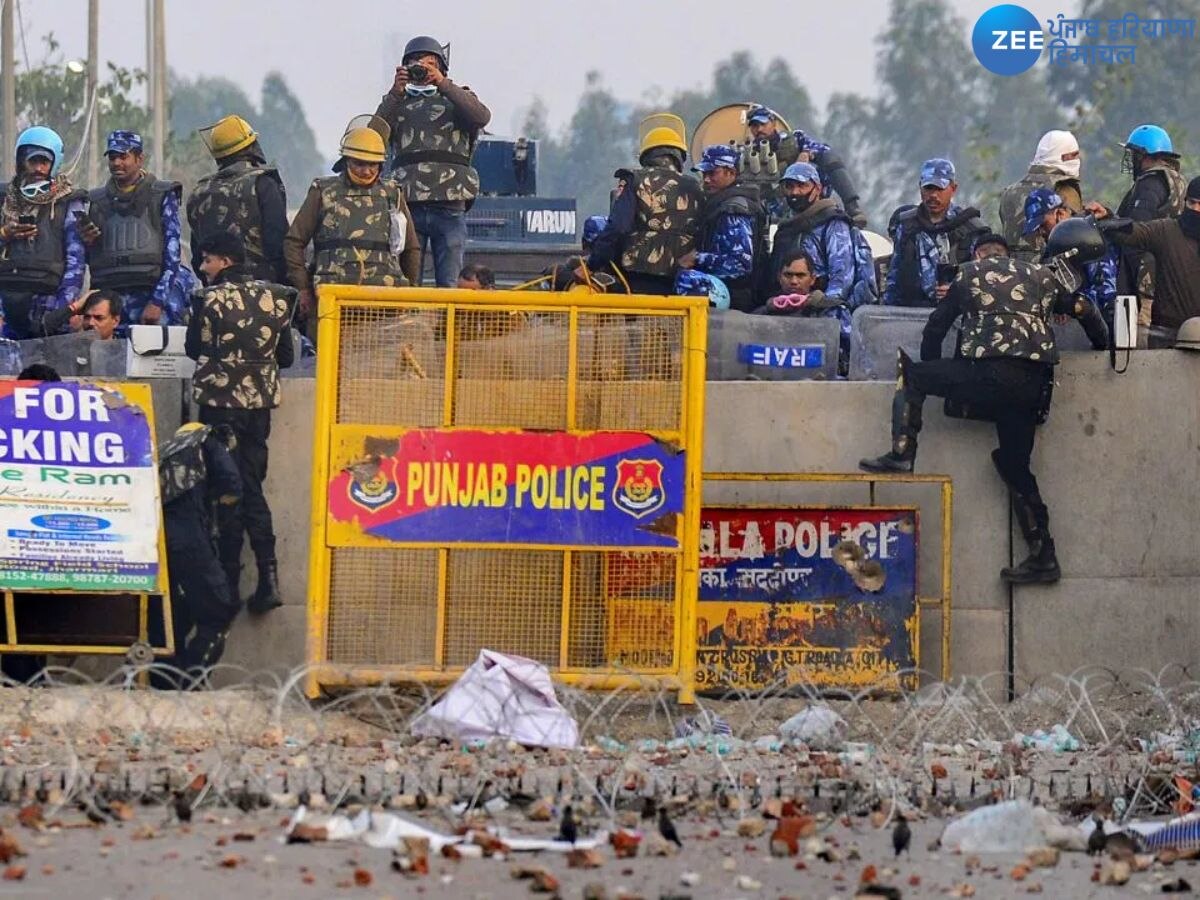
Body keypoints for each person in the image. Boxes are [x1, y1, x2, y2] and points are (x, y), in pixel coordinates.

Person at [859, 230, 1106, 584]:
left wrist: (938, 372)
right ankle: (1043, 554)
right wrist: (1105, 346)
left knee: (912, 374)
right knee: (1014, 464)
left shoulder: (969, 274)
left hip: (985, 375)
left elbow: (936, 328)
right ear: (1009, 253)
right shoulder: (1040, 277)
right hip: (1031, 386)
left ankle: (902, 452)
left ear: (979, 255)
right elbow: (1084, 308)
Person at [186, 232, 294, 614]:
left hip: (219, 407)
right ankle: (268, 578)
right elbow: (286, 357)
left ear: (226, 262)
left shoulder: (208, 299)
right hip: (257, 409)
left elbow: (193, 349)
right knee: (252, 488)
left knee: (224, 491)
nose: (203, 268)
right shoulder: (278, 297)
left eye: (208, 260)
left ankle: (229, 584)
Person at [375, 36, 491, 287]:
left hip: (449, 203)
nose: (423, 69)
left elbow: (481, 117)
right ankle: (410, 325)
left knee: (449, 283)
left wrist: (443, 84)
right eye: (416, 63)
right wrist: (395, 93)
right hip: (408, 204)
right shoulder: (398, 103)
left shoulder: (458, 98)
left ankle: (446, 326)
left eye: (430, 64)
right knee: (407, 281)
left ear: (441, 67)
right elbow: (374, 135)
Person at [284, 119, 419, 331]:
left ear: (381, 164)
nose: (366, 171)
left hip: (384, 301)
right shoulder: (323, 191)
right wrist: (303, 289)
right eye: (359, 163)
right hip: (333, 299)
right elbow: (294, 242)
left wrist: (409, 292)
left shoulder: (393, 194)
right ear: (346, 161)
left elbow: (411, 248)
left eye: (372, 165)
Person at [155, 422, 243, 685]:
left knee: (171, 618)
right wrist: (221, 515)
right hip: (191, 540)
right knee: (220, 611)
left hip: (156, 544)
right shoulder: (208, 440)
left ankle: (163, 682)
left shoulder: (162, 453)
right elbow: (232, 485)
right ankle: (192, 678)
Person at [85, 131, 196, 327]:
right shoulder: (96, 201)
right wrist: (87, 240)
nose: (117, 163)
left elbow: (172, 255)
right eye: (112, 157)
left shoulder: (161, 195)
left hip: (151, 291)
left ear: (139, 159)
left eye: (123, 156)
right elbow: (88, 257)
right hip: (111, 297)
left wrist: (158, 302)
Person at [584, 115, 703, 296]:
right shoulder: (696, 186)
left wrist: (592, 264)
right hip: (681, 281)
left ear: (647, 155)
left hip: (637, 278)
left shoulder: (635, 179)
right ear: (680, 156)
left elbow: (618, 227)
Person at [0, 126, 86, 339]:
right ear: (21, 162)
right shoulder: (3, 199)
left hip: (48, 301)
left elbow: (76, 261)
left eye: (44, 162)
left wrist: (61, 309)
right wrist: (5, 234)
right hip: (6, 303)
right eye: (33, 161)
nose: (38, 168)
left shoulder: (69, 202)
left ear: (54, 163)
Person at [187, 114, 288, 284]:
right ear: (251, 147)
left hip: (214, 294)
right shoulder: (263, 183)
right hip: (262, 293)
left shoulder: (199, 192)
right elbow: (277, 244)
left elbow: (197, 254)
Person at [1100, 176, 1200, 337]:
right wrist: (1107, 218)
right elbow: (1134, 232)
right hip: (1167, 339)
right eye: (1191, 203)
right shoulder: (1167, 231)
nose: (1195, 209)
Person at [883, 158, 986, 307]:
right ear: (920, 188)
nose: (933, 195)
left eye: (939, 189)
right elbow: (894, 277)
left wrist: (957, 290)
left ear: (953, 188)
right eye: (928, 188)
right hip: (909, 315)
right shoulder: (906, 226)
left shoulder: (971, 227)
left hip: (957, 315)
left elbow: (986, 279)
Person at [1114, 125, 1186, 331]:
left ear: (1145, 156)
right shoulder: (1177, 181)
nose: (1131, 159)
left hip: (1146, 283)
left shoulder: (1150, 183)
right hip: (1170, 279)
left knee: (1141, 337)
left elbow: (1135, 231)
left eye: (1134, 154)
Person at [675, 145, 765, 312]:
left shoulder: (734, 209)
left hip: (736, 301)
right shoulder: (719, 204)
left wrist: (697, 259)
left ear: (730, 172)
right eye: (704, 174)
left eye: (712, 173)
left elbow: (739, 264)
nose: (706, 180)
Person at [745, 105, 865, 225]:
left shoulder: (795, 139)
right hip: (777, 201)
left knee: (830, 158)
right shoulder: (749, 153)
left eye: (763, 124)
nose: (759, 129)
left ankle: (853, 208)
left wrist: (807, 153)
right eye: (755, 126)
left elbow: (824, 150)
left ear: (773, 123)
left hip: (808, 193)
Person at [1022, 187, 1113, 345]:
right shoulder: (1053, 246)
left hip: (1103, 323)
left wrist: (1076, 304)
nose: (1042, 232)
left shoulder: (1087, 235)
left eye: (1043, 224)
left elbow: (1105, 288)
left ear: (1060, 213)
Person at [998, 130, 1084, 260]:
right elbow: (1076, 232)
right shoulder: (1064, 186)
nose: (1077, 160)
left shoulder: (1009, 192)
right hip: (1050, 269)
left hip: (1013, 268)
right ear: (1063, 156)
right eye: (1074, 155)